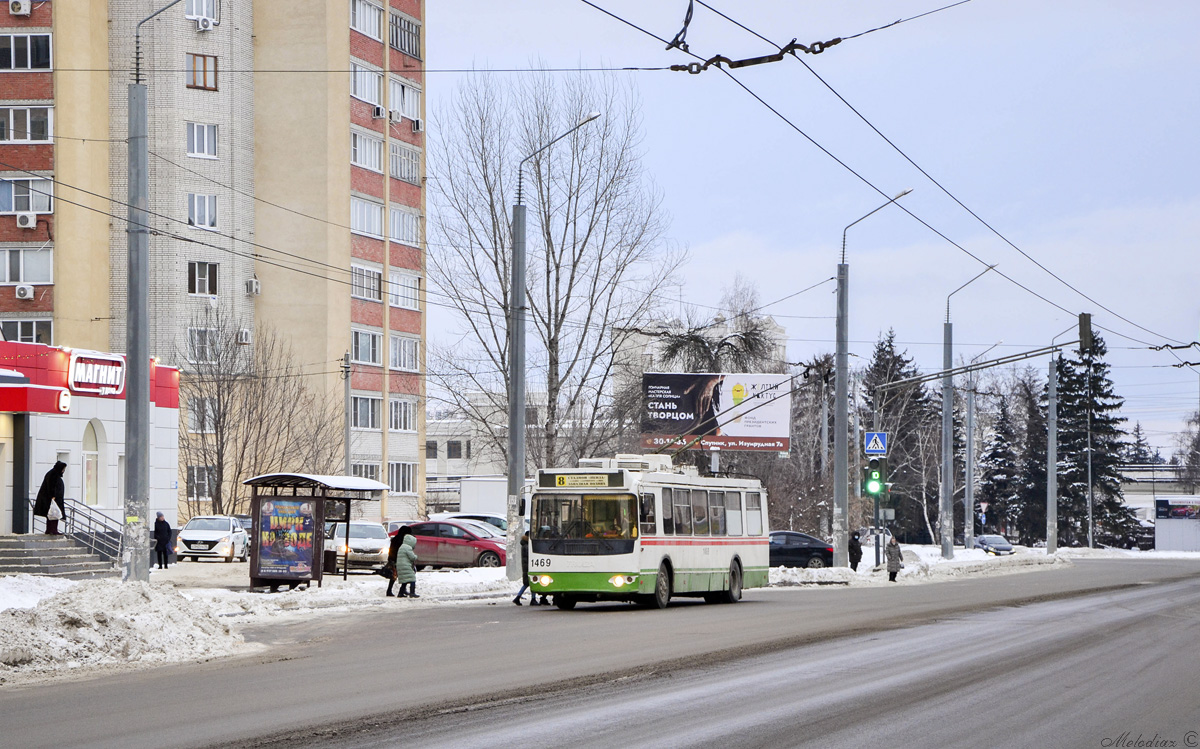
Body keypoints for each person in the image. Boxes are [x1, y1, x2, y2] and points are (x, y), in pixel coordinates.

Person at [33, 461, 67, 535]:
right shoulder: (53, 474)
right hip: (53, 499)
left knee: (52, 515)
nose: (63, 471)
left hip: (53, 499)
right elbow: (51, 486)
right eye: (63, 469)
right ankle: (53, 530)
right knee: (54, 514)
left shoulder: (53, 473)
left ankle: (50, 529)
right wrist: (53, 496)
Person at [385, 525, 411, 597]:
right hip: (400, 560)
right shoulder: (403, 541)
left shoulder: (395, 539)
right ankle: (401, 592)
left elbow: (391, 551)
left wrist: (390, 559)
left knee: (394, 576)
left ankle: (389, 590)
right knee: (405, 576)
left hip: (393, 559)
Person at [513, 531, 538, 605]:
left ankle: (518, 598)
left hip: (526, 567)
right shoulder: (527, 546)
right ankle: (532, 599)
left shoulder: (525, 545)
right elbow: (530, 557)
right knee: (531, 582)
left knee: (528, 583)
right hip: (528, 567)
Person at [394, 533, 419, 598]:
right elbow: (412, 557)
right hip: (406, 566)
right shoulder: (408, 548)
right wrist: (416, 556)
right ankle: (412, 593)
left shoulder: (402, 546)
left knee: (405, 580)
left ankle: (401, 593)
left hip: (400, 566)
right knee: (412, 579)